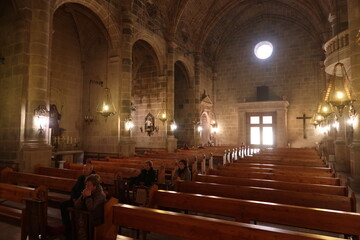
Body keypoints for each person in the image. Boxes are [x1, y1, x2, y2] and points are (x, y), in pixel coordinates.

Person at [60, 163, 95, 238]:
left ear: (91, 170)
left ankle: (81, 230)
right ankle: (68, 227)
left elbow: (89, 192)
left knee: (79, 210)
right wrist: (73, 198)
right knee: (63, 205)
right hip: (75, 200)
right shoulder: (81, 178)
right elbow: (74, 189)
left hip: (85, 202)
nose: (84, 170)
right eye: (83, 169)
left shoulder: (93, 179)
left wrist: (79, 200)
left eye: (86, 169)